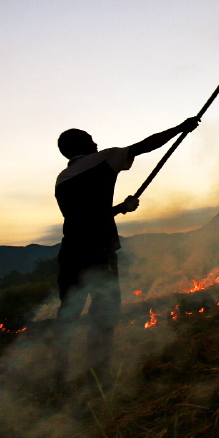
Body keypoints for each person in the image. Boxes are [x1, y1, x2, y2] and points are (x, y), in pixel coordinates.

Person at [52, 117, 199, 386]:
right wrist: (181, 128)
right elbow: (143, 146)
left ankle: (60, 372)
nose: (95, 142)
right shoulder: (103, 159)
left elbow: (85, 217)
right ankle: (97, 374)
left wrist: (121, 208)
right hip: (98, 250)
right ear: (82, 144)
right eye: (90, 138)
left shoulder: (62, 179)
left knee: (69, 311)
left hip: (71, 251)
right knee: (104, 310)